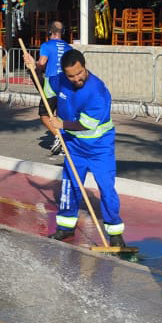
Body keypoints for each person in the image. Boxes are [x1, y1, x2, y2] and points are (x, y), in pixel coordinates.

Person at [37, 49, 127, 247]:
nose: (77, 78)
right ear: (64, 73)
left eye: (80, 73)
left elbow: (87, 125)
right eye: (71, 75)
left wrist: (62, 125)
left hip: (99, 147)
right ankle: (65, 227)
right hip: (74, 145)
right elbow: (44, 88)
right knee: (70, 187)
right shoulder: (60, 80)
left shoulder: (97, 91)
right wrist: (34, 69)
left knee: (106, 187)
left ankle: (114, 232)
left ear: (84, 66)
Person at [24, 20, 70, 155]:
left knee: (44, 114)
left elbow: (42, 63)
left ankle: (60, 138)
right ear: (62, 32)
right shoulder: (68, 47)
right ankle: (63, 138)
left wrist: (33, 64)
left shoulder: (47, 45)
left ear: (50, 31)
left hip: (51, 85)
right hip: (66, 84)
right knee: (60, 115)